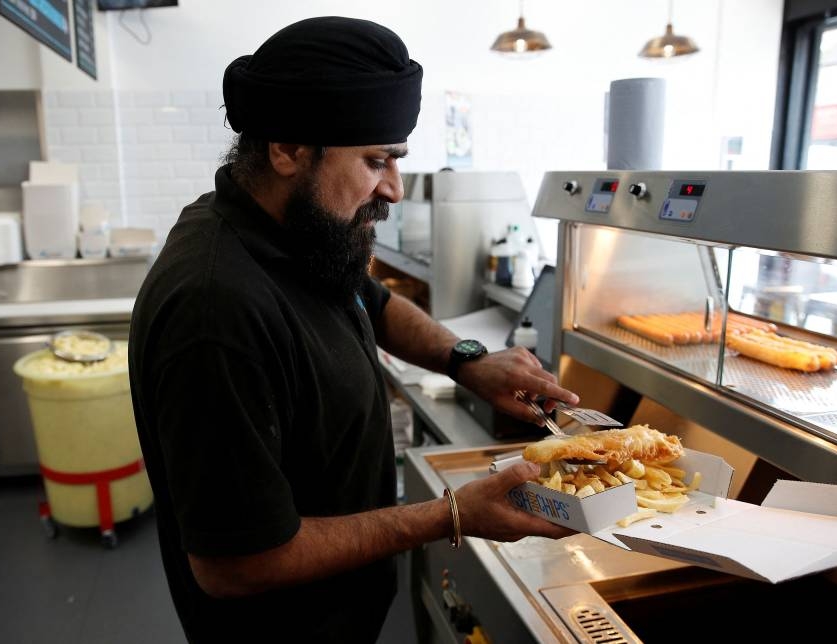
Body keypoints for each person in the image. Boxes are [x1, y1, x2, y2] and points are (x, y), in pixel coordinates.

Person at [128, 16, 580, 643]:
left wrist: (467, 360)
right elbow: (234, 565)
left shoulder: (288, 231)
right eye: (375, 161)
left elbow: (370, 296)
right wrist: (449, 513)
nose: (393, 188)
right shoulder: (215, 311)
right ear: (286, 149)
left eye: (396, 159)